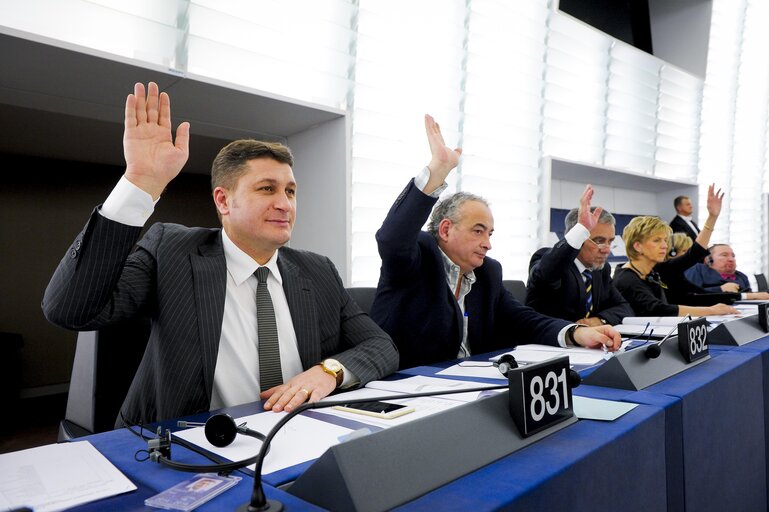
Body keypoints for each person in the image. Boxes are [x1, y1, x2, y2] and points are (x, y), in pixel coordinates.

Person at [42, 82, 398, 426]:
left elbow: (380, 346)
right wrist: (140, 183)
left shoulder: (317, 270)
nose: (284, 203)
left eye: (290, 191)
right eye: (266, 189)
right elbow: (68, 309)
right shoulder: (173, 251)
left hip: (292, 437)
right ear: (223, 200)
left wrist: (328, 373)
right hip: (181, 445)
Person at [370, 114, 621, 370]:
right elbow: (392, 238)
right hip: (406, 387)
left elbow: (525, 320)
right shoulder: (418, 255)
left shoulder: (488, 272)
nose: (487, 244)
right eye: (478, 231)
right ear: (445, 230)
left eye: (490, 234)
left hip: (470, 386)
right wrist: (438, 171)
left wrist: (576, 333)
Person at [614, 184, 739, 317]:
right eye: (657, 240)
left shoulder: (655, 270)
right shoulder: (626, 278)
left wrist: (712, 217)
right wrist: (711, 311)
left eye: (665, 240)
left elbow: (693, 254)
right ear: (637, 246)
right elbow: (659, 309)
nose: (664, 246)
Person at [526, 190, 633, 326]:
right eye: (599, 241)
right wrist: (580, 229)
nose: (607, 249)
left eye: (610, 241)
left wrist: (598, 320)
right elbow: (548, 272)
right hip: (547, 343)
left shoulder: (601, 269)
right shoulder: (549, 261)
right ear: (577, 237)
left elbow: (624, 308)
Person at [684, 244, 769, 299]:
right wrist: (720, 289)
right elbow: (691, 296)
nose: (731, 259)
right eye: (724, 255)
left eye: (733, 256)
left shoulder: (741, 276)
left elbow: (750, 297)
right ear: (708, 259)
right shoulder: (698, 270)